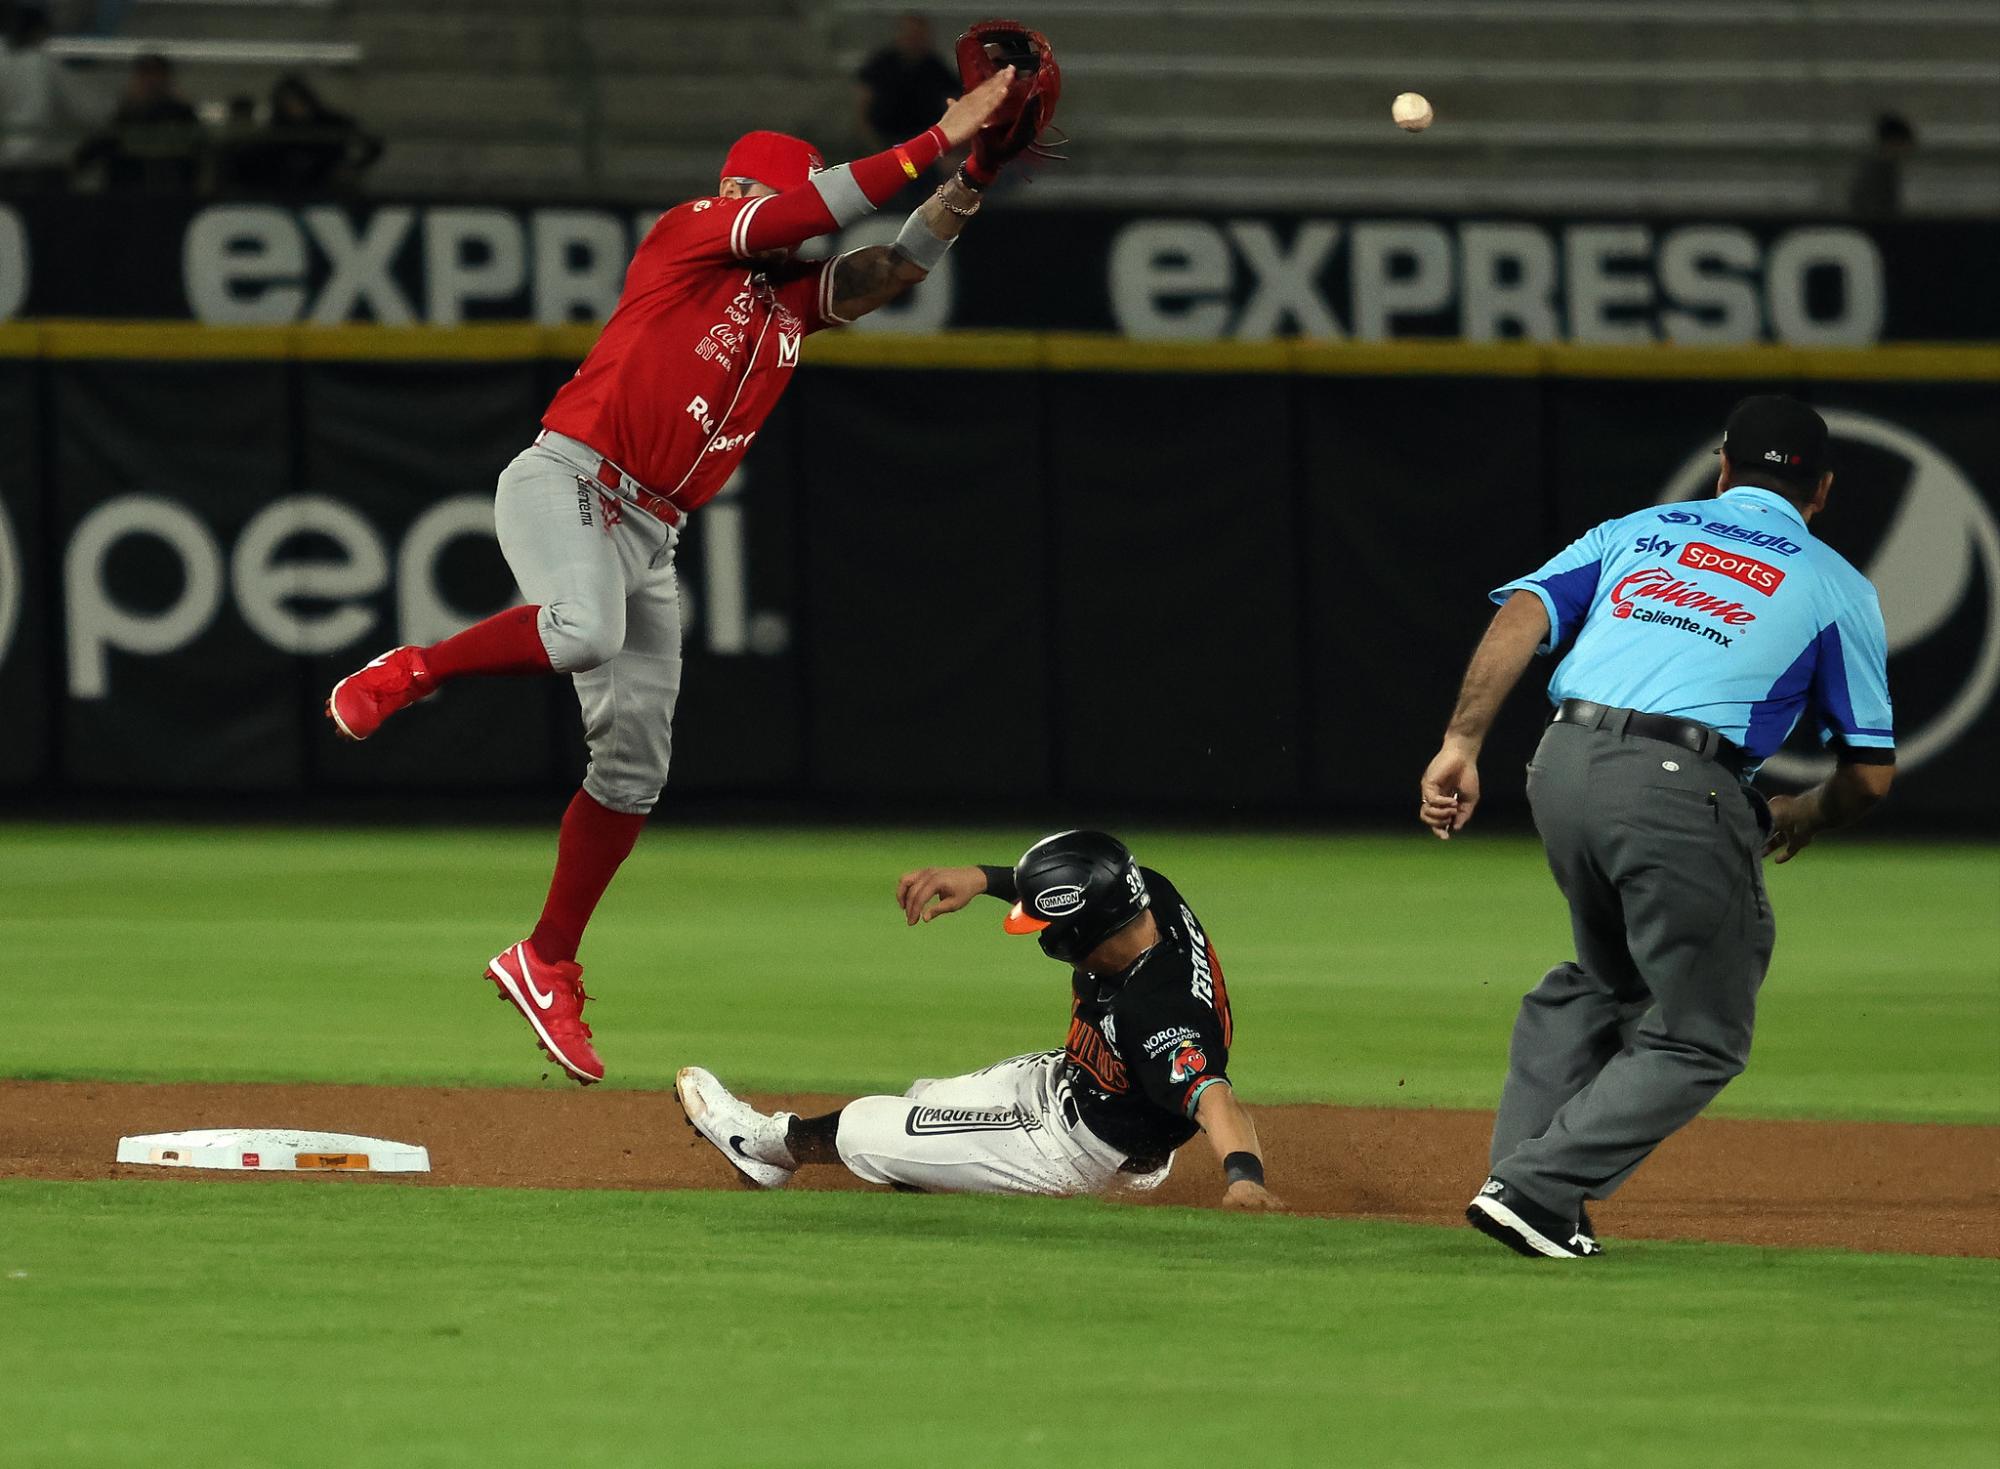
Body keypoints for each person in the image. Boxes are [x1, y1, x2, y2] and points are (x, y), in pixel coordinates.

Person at [324, 65, 1029, 1085]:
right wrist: (939, 132)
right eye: (786, 197)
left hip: (650, 530)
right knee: (577, 629)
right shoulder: (692, 234)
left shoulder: (784, 302)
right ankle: (414, 669)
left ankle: (545, 957)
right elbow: (830, 204)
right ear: (747, 194)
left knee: (632, 769)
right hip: (570, 476)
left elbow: (891, 269)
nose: (800, 215)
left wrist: (968, 182)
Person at [1420, 394, 1894, 1259]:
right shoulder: (1835, 585)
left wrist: (1461, 741)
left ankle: (1526, 1186)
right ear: (1821, 491)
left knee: (1603, 982)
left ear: (1722, 466)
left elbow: (1524, 612)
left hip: (1560, 764)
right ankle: (1535, 1186)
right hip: (1680, 783)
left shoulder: (1636, 530)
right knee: (1704, 1033)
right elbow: (1869, 771)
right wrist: (1801, 811)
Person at [675, 831, 1281, 1210]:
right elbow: (1075, 880)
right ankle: (963, 1173)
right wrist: (984, 879)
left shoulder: (1161, 1012)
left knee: (864, 1128)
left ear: (1084, 936)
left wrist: (1243, 1178)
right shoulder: (1143, 894)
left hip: (1072, 1151)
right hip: (1072, 1081)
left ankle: (763, 1147)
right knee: (922, 1101)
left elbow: (1218, 1102)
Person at [223, 73, 381, 193]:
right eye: (285, 103)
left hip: (329, 186)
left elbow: (371, 143)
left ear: (306, 99)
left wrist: (353, 167)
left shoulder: (333, 123)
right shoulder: (279, 131)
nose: (292, 108)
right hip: (292, 191)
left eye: (294, 101)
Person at [0, 2, 98, 194]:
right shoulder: (44, 65)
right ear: (39, 33)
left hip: (7, 168)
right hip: (42, 170)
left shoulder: (6, 63)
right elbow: (89, 113)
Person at [73, 51, 199, 192]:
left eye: (157, 74)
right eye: (145, 75)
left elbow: (199, 151)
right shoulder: (124, 117)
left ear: (167, 79)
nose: (151, 81)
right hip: (127, 195)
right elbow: (95, 149)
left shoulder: (182, 115)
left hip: (172, 194)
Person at [855, 12, 957, 167]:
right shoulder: (881, 64)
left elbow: (951, 103)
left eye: (919, 35)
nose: (914, 40)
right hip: (885, 141)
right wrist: (870, 141)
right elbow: (863, 103)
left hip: (923, 145)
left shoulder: (936, 68)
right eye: (910, 34)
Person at [1849, 112, 1914, 220]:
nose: (1907, 150)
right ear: (1894, 141)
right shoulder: (1879, 169)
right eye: (1905, 144)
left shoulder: (1874, 166)